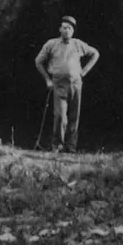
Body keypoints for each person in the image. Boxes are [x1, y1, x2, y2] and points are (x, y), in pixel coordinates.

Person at [34, 16, 100, 152]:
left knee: (74, 115)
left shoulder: (78, 44)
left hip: (76, 83)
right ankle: (57, 145)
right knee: (60, 116)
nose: (67, 30)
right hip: (59, 84)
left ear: (73, 31)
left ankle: (71, 147)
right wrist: (47, 79)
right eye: (64, 28)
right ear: (59, 29)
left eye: (69, 28)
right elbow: (38, 61)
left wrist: (85, 70)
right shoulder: (51, 44)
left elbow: (95, 54)